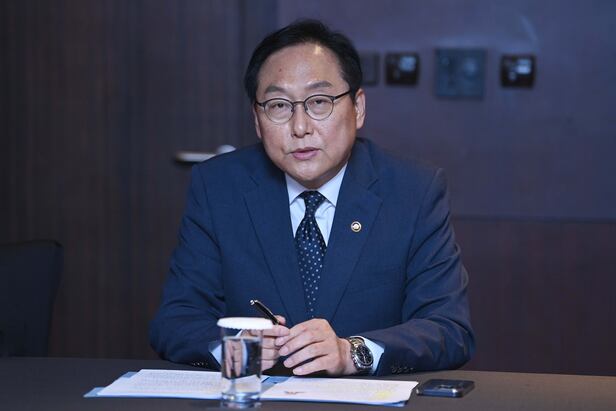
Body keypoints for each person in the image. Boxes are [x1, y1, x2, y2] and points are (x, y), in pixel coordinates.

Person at [149, 19, 474, 376]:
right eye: (278, 106)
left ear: (358, 108)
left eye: (319, 102)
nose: (300, 127)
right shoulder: (219, 187)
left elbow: (449, 329)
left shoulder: (413, 191)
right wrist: (236, 348)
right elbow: (175, 321)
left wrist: (352, 353)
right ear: (257, 119)